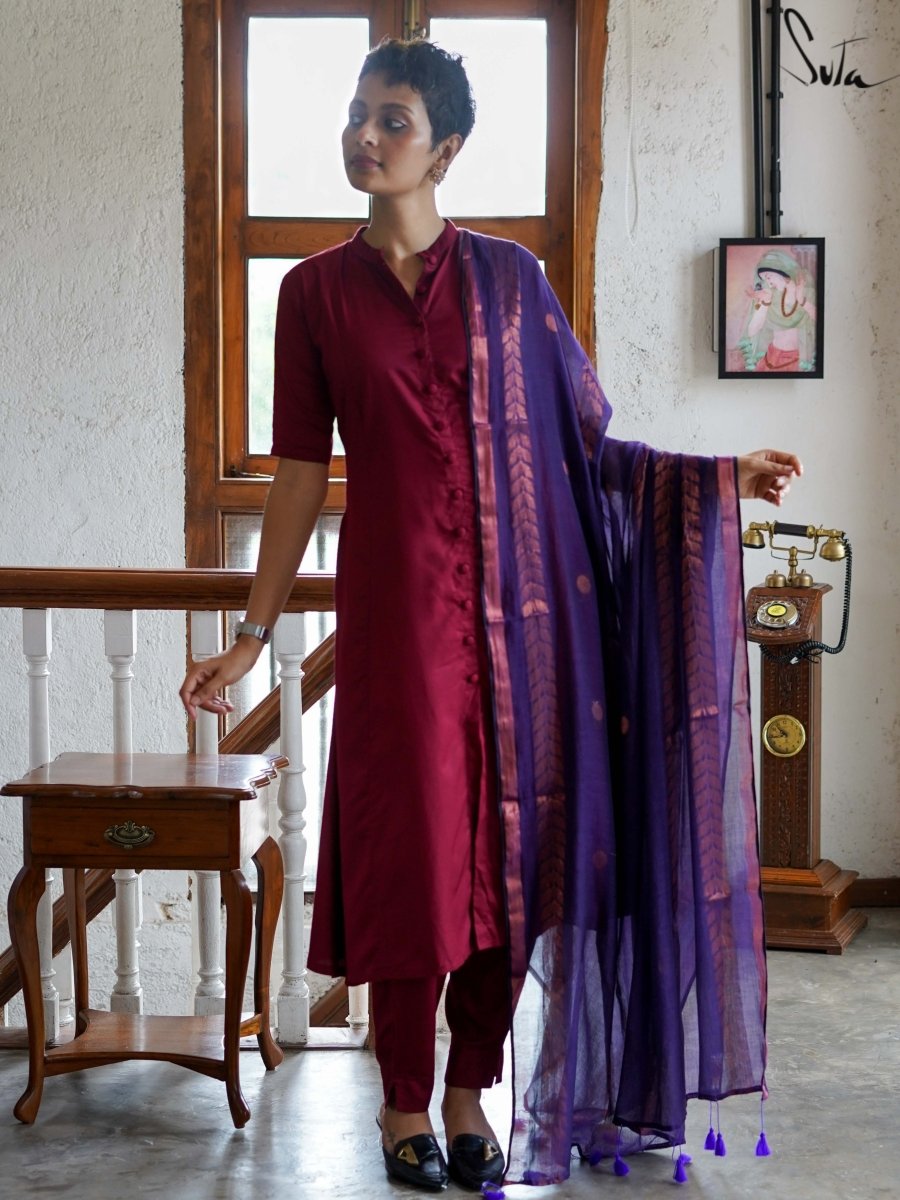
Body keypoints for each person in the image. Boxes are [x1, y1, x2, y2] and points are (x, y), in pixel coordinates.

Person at [180, 38, 802, 1192]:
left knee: (520, 857)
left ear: (447, 149)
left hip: (531, 625)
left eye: (394, 120)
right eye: (357, 114)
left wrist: (718, 477)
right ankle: (402, 1100)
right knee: (415, 864)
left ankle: (471, 1091)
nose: (366, 136)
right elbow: (301, 476)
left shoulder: (512, 283)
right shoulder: (312, 295)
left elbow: (589, 445)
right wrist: (251, 637)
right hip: (400, 628)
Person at [739, 247, 817, 372]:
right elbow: (752, 330)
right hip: (772, 356)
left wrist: (801, 300)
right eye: (765, 280)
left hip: (798, 360)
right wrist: (765, 303)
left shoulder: (806, 293)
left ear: (780, 270)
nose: (768, 283)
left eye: (768, 277)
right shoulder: (770, 296)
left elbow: (819, 321)